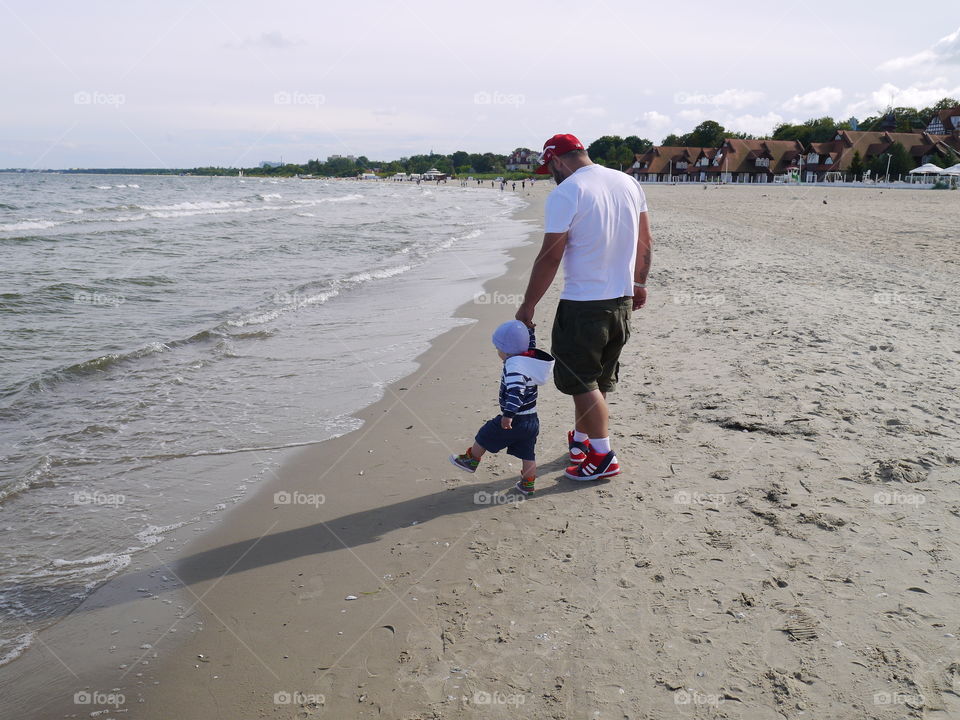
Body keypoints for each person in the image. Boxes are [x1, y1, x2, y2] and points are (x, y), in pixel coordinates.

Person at [516, 133, 652, 482]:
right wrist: (638, 284)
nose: (551, 175)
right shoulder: (628, 182)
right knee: (595, 378)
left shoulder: (567, 192)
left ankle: (604, 456)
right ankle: (581, 442)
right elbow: (645, 241)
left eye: (550, 169)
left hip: (583, 305)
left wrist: (528, 305)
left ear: (558, 161)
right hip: (620, 301)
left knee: (581, 382)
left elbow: (550, 256)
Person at [449, 321, 554, 495]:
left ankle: (471, 460)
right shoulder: (529, 359)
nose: (497, 352)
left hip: (516, 418)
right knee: (528, 454)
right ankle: (528, 484)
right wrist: (530, 331)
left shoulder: (514, 367)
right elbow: (529, 345)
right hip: (532, 420)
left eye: (498, 348)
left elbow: (516, 392)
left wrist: (508, 414)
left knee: (485, 434)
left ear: (505, 351)